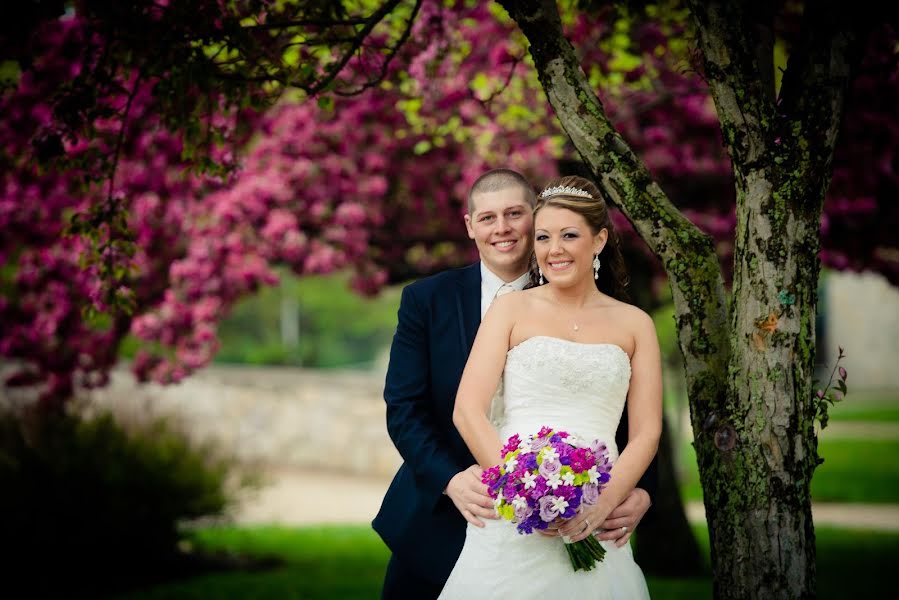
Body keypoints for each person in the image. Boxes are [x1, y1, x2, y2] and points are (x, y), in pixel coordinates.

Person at [372, 170, 656, 599]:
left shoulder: (630, 321)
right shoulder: (430, 300)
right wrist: (507, 489)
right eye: (487, 217)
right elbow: (407, 409)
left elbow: (632, 424)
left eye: (514, 214)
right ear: (470, 226)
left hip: (589, 510)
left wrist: (626, 494)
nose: (502, 228)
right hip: (454, 509)